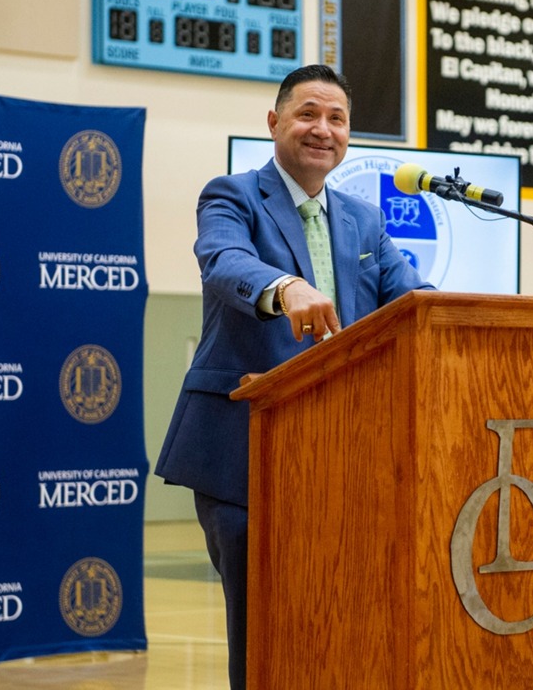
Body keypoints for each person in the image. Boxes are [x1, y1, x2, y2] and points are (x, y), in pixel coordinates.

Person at [155, 64, 433, 689]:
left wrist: (458, 315)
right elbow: (223, 261)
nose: (323, 129)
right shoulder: (231, 194)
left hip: (347, 454)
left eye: (337, 119)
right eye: (308, 114)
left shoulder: (364, 219)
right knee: (262, 628)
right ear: (274, 122)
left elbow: (409, 300)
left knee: (338, 618)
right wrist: (285, 286)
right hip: (245, 453)